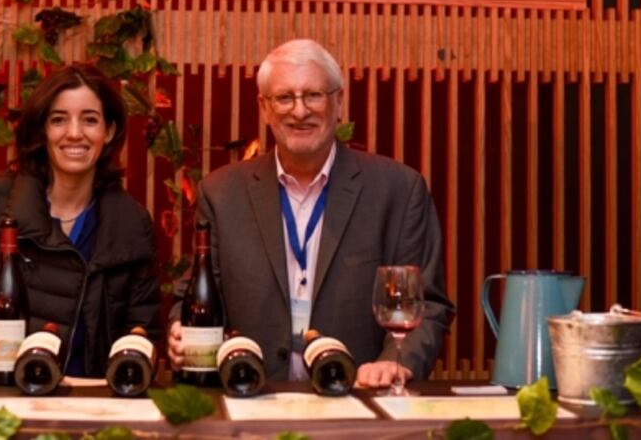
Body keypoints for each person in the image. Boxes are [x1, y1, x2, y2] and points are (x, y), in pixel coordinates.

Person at [167, 39, 455, 387]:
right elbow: (194, 295)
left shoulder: (398, 190)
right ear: (264, 108)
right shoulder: (222, 193)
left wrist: (395, 362)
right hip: (251, 395)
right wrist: (180, 333)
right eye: (284, 98)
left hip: (356, 396)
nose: (300, 111)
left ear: (339, 102)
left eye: (313, 95)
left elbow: (427, 305)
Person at [0, 64, 160, 382]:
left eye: (90, 120)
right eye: (58, 119)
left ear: (108, 131)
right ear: (42, 130)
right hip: (5, 391)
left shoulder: (132, 221)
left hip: (93, 396)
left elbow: (142, 328)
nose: (74, 133)